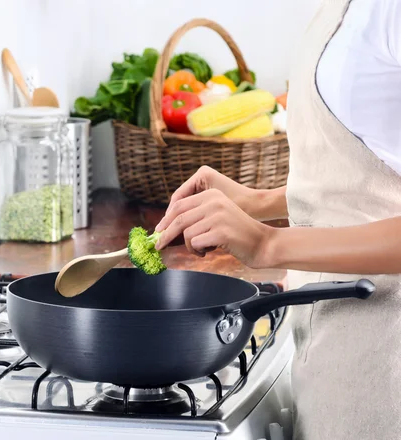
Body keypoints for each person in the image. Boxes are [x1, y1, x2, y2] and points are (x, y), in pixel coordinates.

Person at [153, 0, 401, 439]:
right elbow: (364, 181)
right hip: (333, 341)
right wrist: (258, 201)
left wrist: (268, 243)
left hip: (387, 356)